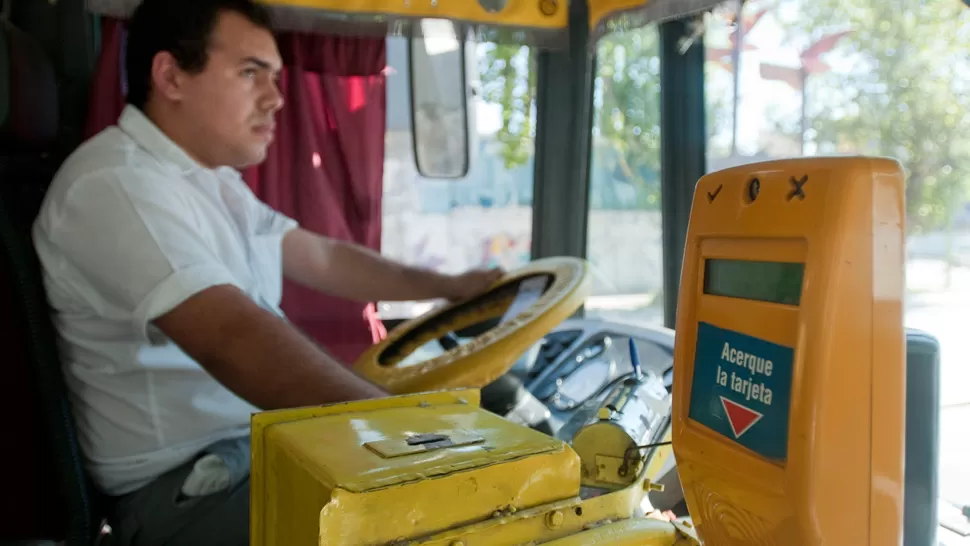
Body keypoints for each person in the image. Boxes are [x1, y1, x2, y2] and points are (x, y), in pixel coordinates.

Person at [31, 0, 502, 543]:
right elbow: (234, 340)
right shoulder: (117, 184)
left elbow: (323, 258)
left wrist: (448, 288)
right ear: (171, 77)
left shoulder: (208, 182)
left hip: (254, 452)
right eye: (251, 72)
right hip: (189, 491)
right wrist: (411, 431)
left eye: (275, 78)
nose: (276, 99)